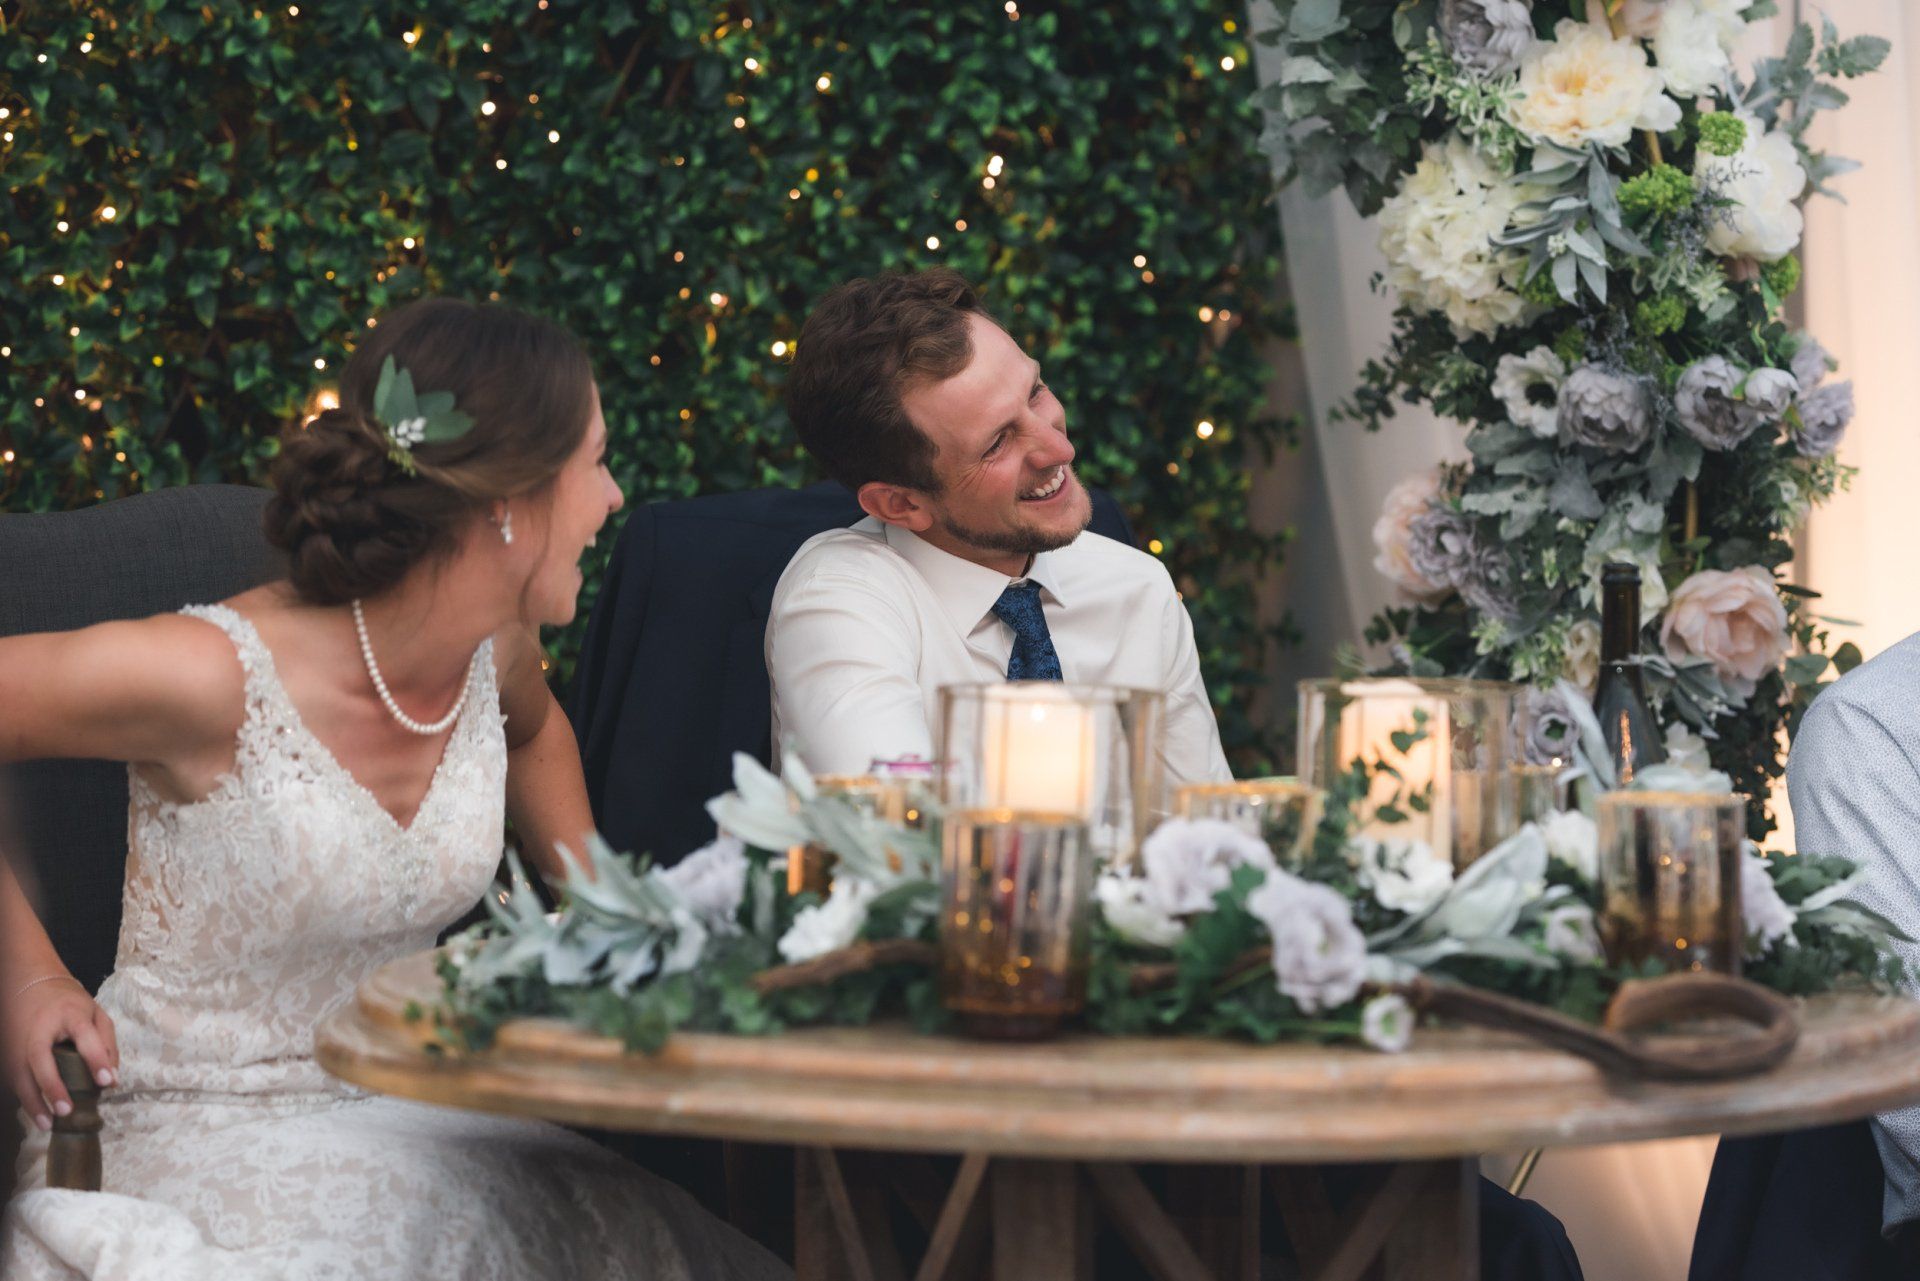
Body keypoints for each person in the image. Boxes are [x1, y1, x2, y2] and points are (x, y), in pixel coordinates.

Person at [0, 299, 787, 1279]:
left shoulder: (492, 653)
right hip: (192, 1122)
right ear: (510, 500)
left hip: (414, 1102)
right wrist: (28, 977)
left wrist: (601, 910)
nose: (616, 497)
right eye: (595, 461)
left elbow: (537, 731)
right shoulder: (208, 677)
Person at [767, 268, 1232, 783]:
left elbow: (1205, 842)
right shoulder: (838, 600)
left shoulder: (1136, 587)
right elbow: (897, 840)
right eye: (996, 444)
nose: (1061, 449)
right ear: (900, 504)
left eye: (1034, 393)